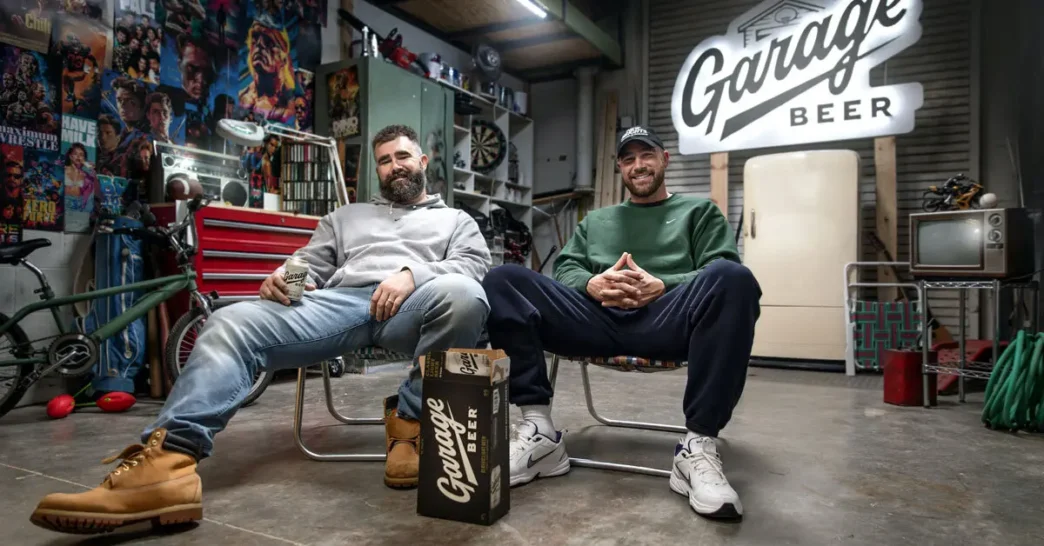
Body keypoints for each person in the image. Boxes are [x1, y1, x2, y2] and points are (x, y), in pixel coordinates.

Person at [30, 124, 492, 534]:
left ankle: (409, 425)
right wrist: (285, 281)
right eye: (385, 161)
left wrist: (412, 273)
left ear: (423, 161)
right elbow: (309, 265)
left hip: (417, 302)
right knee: (232, 320)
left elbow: (473, 267)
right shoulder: (347, 217)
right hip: (340, 303)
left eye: (403, 156)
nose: (395, 167)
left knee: (465, 296)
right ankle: (169, 463)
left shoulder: (454, 219)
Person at [482, 126, 762, 520]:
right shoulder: (596, 221)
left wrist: (664, 285)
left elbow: (722, 268)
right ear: (619, 168)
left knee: (735, 279)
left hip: (668, 320)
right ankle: (540, 432)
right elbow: (566, 271)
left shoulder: (698, 212)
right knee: (503, 280)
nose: (638, 165)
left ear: (664, 160)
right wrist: (592, 284)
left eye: (646, 155)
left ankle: (697, 447)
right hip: (595, 321)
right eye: (628, 159)